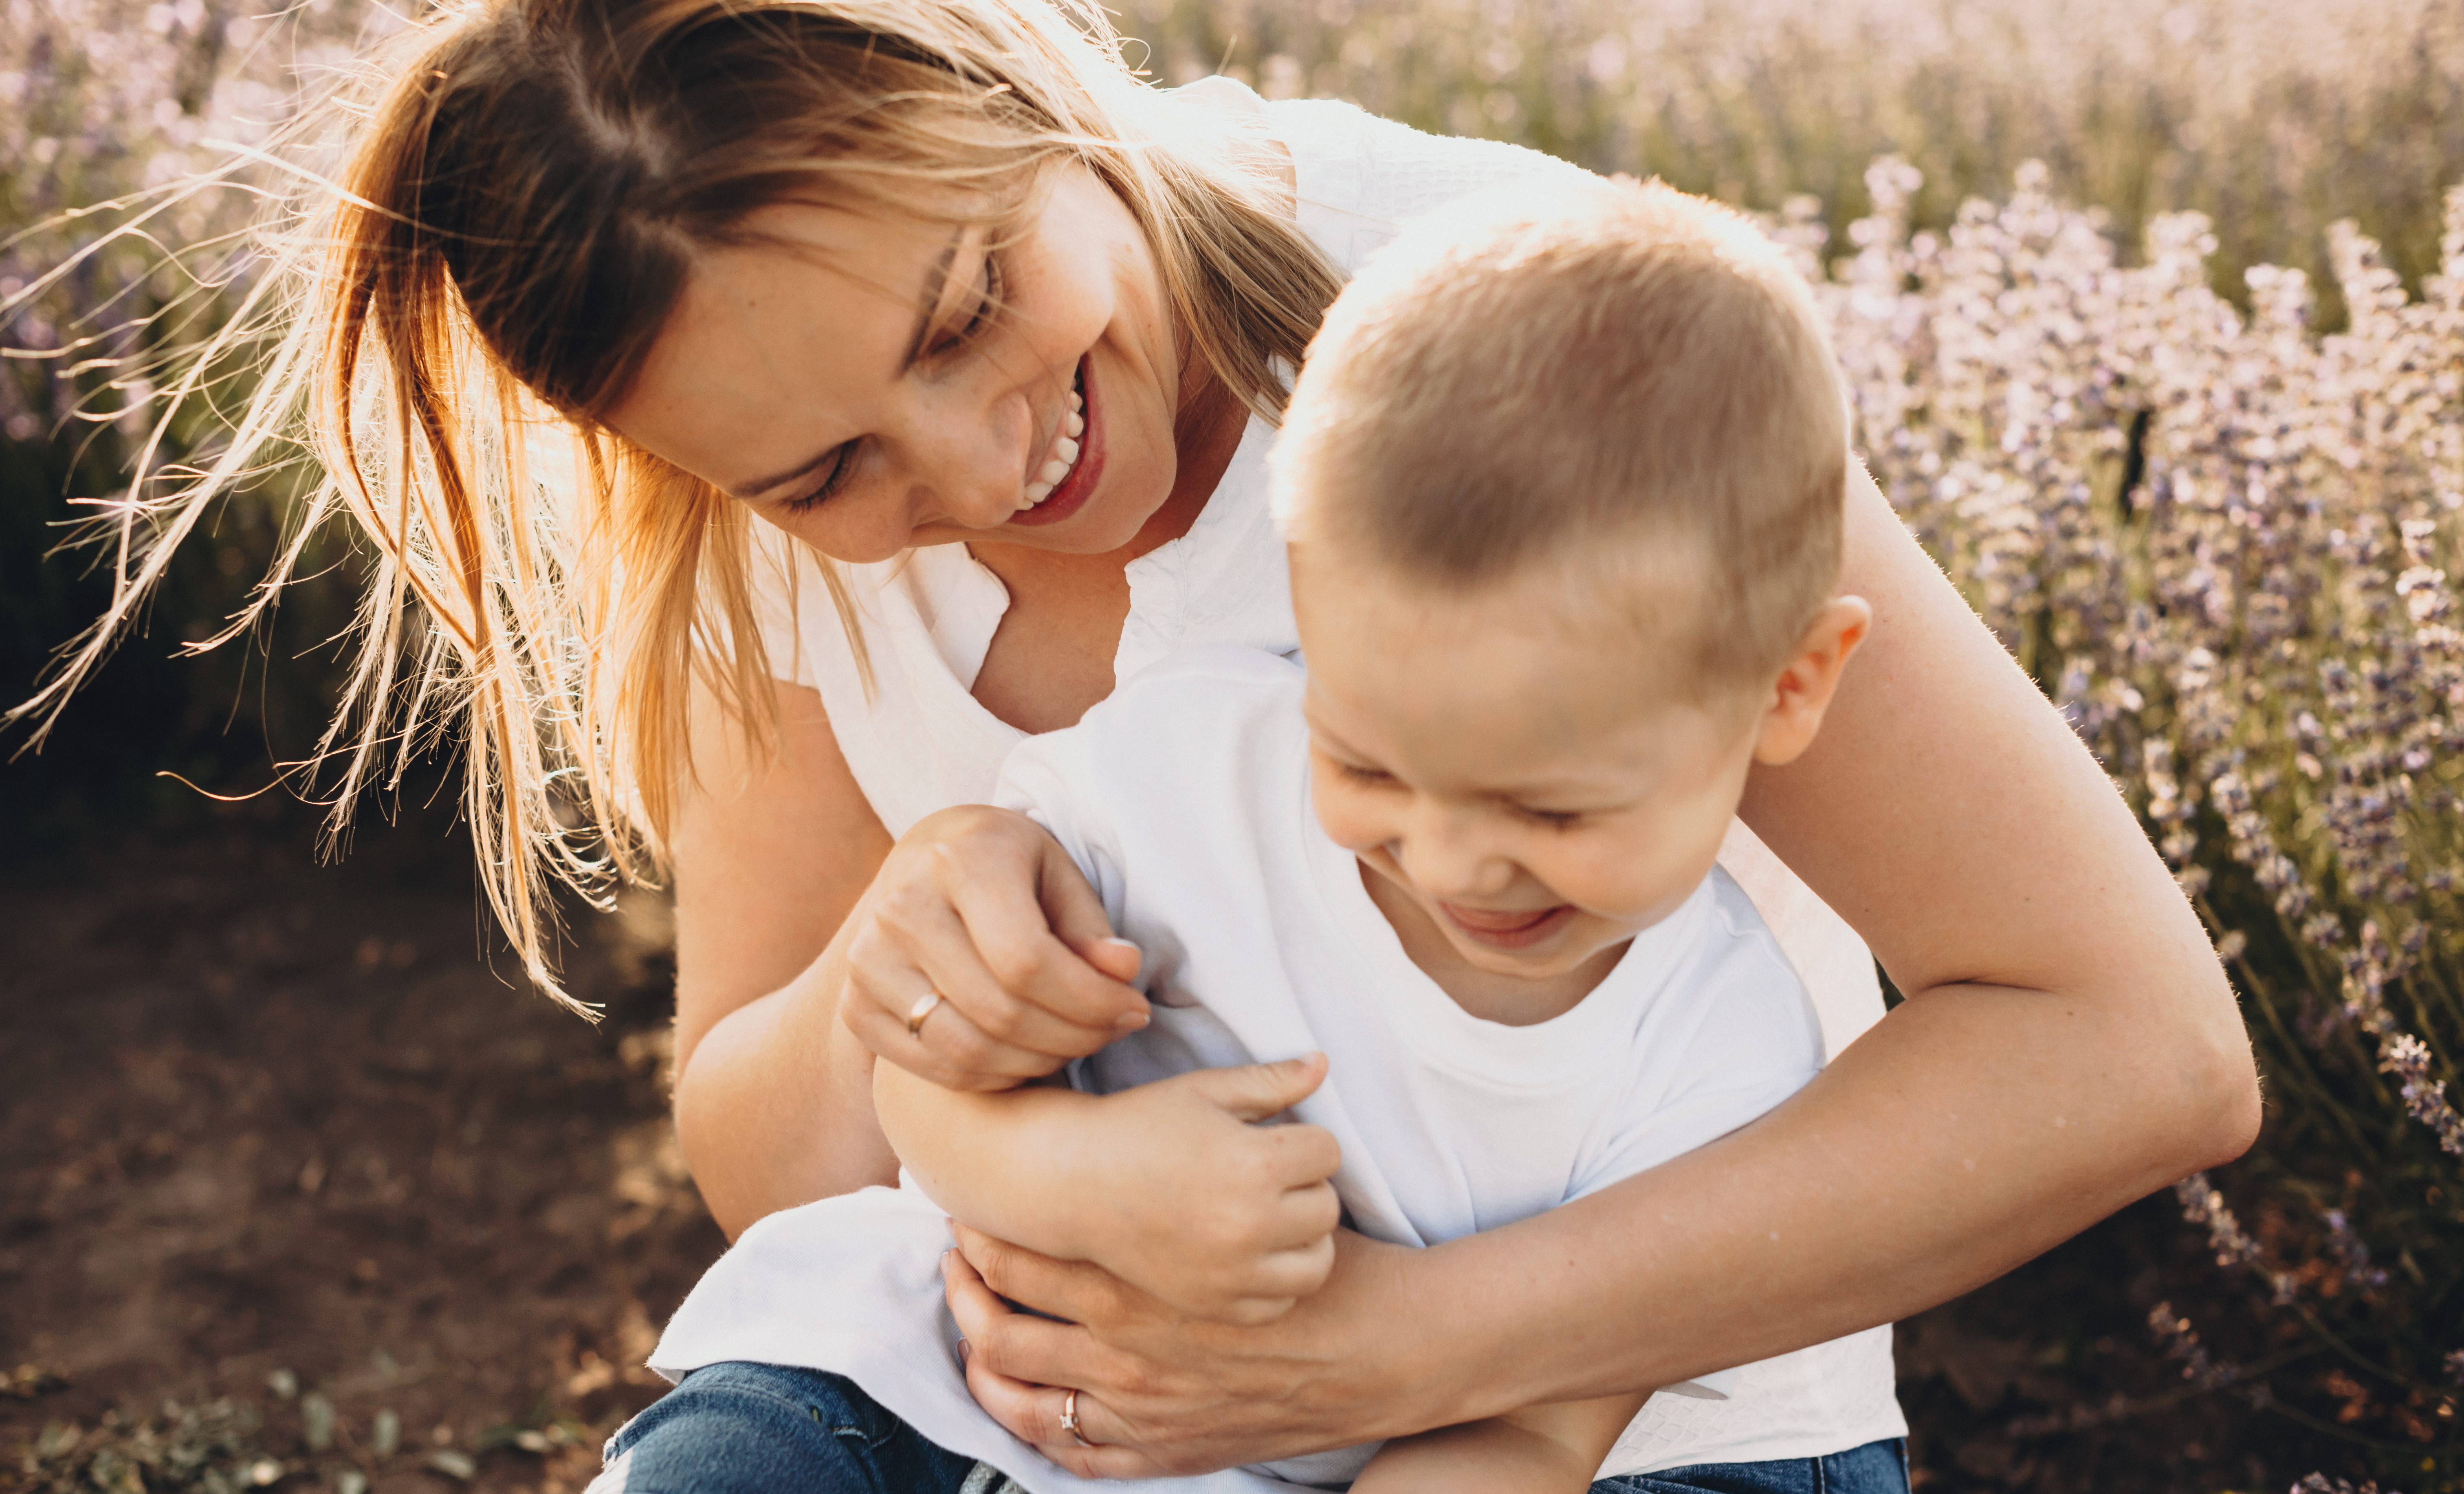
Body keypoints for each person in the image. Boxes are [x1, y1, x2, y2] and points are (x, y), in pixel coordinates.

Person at [33, 0, 2255, 1476]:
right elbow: (757, 1146)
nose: (978, 469)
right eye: (823, 474)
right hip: (1030, 1378)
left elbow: (2134, 1042)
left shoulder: (1522, 334)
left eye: (970, 308)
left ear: (1014, 81)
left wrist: (1400, 1357)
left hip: (1630, 1388)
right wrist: (896, 976)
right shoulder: (755, 538)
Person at [611, 176, 1904, 1494]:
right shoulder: (1186, 764)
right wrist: (1068, 1173)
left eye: (1553, 806)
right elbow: (923, 1066)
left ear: (1791, 687)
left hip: (1363, 1446)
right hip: (961, 1387)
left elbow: (1527, 1434)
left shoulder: (1727, 1056)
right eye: (1368, 763)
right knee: (742, 1449)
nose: (1456, 861)